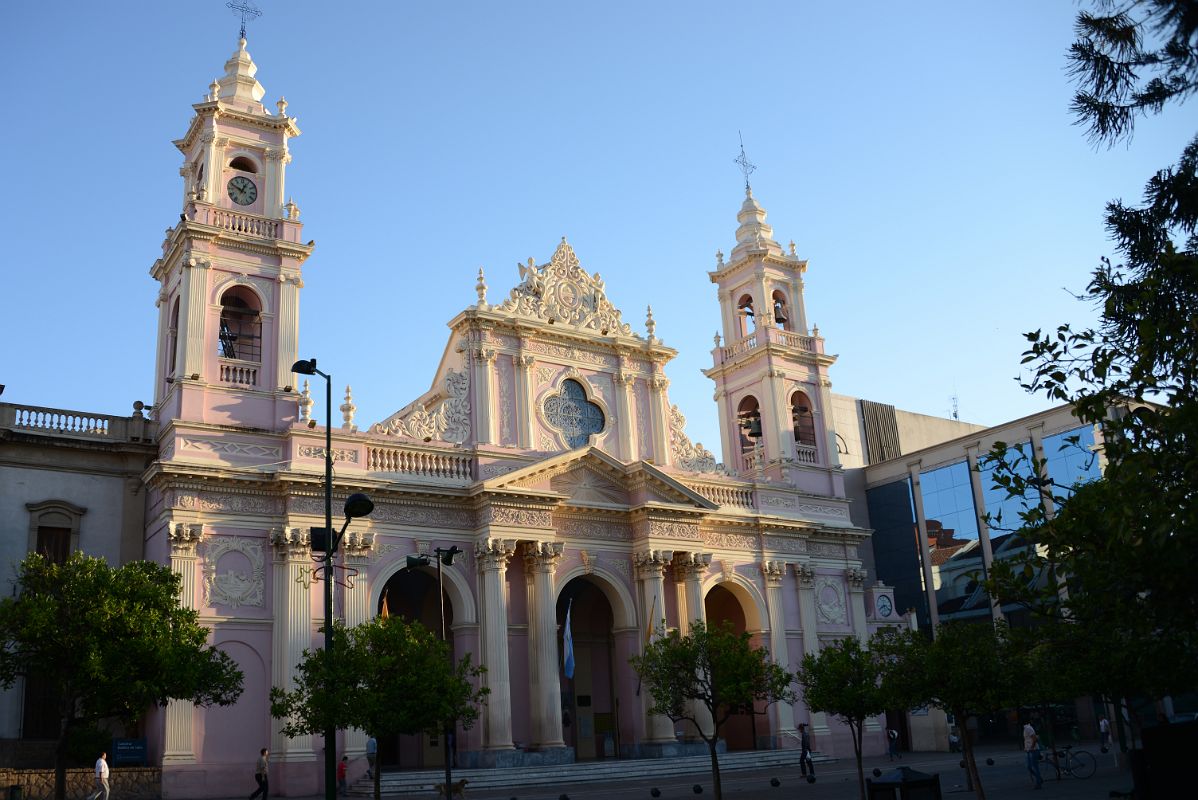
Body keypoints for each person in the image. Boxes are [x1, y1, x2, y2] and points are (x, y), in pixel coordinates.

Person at [1023, 720, 1043, 790]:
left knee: (1034, 767)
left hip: (1033, 751)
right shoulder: (1026, 728)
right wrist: (1026, 748)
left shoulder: (1028, 728)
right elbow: (1029, 740)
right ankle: (1039, 779)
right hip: (1030, 750)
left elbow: (1034, 739)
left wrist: (1031, 748)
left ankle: (1038, 782)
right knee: (1030, 767)